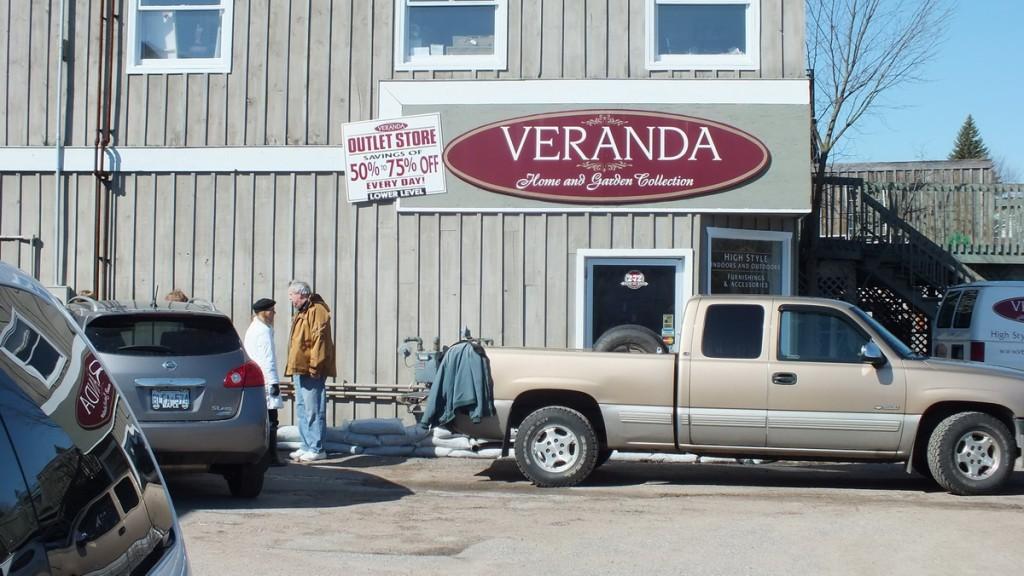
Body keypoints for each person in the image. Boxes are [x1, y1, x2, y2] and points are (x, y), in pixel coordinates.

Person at [284, 280, 335, 462]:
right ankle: (306, 445)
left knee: (313, 409)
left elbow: (319, 340)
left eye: (292, 295)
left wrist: (315, 366)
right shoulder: (302, 311)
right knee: (302, 408)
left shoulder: (317, 310)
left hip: (310, 369)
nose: (290, 299)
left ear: (302, 294)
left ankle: (317, 448)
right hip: (300, 368)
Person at [243, 297, 286, 467]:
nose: (274, 313)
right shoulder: (263, 331)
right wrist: (274, 383)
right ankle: (271, 457)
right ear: (265, 312)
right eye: (272, 310)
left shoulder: (254, 328)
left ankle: (267, 455)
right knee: (271, 419)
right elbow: (268, 359)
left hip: (258, 380)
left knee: (264, 418)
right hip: (266, 380)